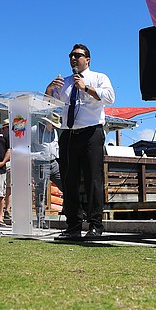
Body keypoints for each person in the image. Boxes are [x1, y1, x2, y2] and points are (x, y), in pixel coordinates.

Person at [46, 43, 115, 240]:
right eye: (71, 55)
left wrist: (87, 88)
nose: (73, 58)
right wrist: (50, 89)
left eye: (78, 55)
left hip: (91, 133)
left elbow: (110, 97)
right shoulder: (64, 82)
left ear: (88, 59)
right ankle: (73, 226)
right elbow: (49, 104)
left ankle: (95, 226)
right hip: (68, 134)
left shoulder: (99, 77)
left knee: (93, 180)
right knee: (69, 181)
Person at [33, 112, 64, 226]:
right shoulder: (35, 130)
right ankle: (41, 220)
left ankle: (69, 211)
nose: (55, 126)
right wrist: (33, 157)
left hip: (54, 162)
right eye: (53, 124)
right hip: (41, 163)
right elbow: (26, 145)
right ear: (47, 122)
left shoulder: (54, 132)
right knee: (41, 192)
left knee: (65, 184)